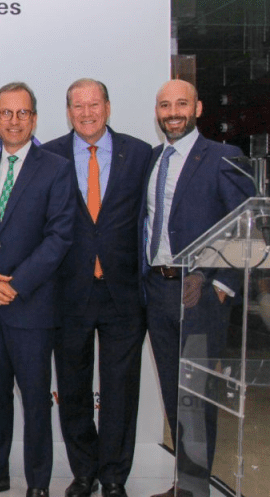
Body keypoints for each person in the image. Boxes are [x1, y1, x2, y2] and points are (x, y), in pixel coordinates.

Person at [0, 82, 75, 497]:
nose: (13, 121)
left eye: (22, 113)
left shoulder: (57, 168)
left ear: (34, 119)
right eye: (5, 113)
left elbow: (59, 237)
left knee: (36, 401)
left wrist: (16, 284)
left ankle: (38, 483)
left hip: (31, 306)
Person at [40, 79, 151, 497]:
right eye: (78, 106)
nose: (86, 113)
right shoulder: (49, 155)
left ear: (108, 106)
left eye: (94, 104)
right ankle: (84, 471)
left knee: (121, 390)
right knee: (73, 388)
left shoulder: (139, 153)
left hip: (123, 293)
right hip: (69, 292)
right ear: (68, 111)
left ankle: (114, 476)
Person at [142, 80, 252, 497]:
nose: (173, 112)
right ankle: (184, 481)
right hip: (158, 291)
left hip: (200, 294)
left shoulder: (224, 157)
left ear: (198, 108)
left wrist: (222, 285)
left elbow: (245, 227)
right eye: (165, 105)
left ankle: (194, 488)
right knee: (175, 393)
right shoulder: (153, 160)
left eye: (181, 104)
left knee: (197, 396)